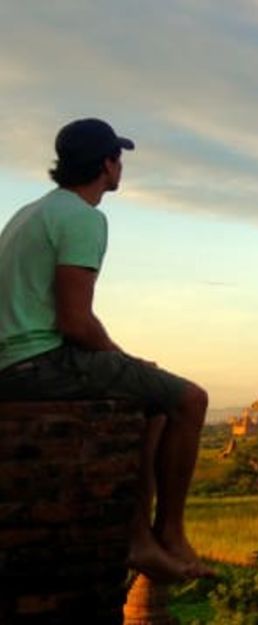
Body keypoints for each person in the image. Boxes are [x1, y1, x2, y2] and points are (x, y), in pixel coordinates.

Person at [0, 118, 214, 582]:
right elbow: (75, 322)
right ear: (106, 164)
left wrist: (125, 367)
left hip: (13, 359)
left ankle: (140, 537)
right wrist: (122, 360)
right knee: (191, 400)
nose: (121, 167)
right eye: (118, 158)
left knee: (154, 402)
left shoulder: (30, 212)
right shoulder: (83, 217)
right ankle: (169, 533)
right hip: (34, 362)